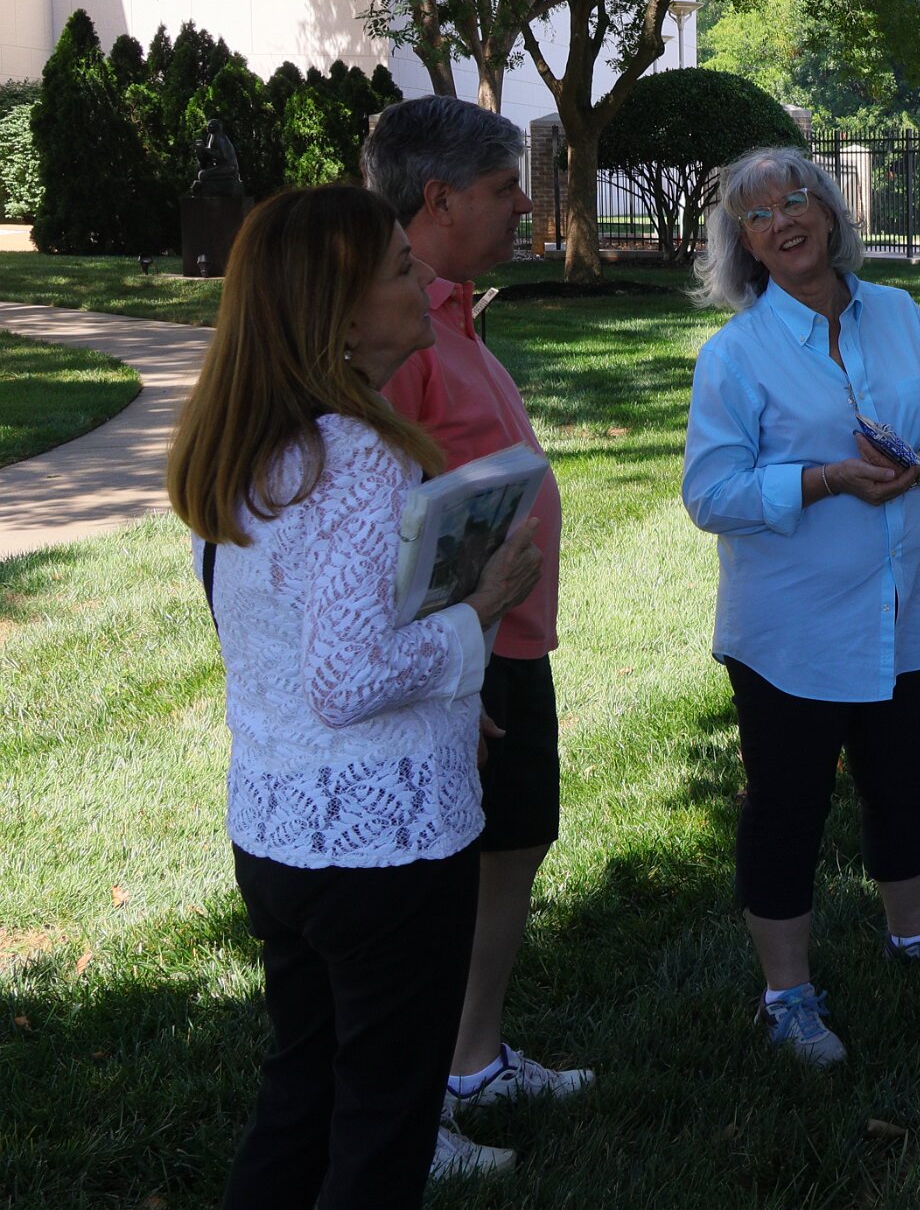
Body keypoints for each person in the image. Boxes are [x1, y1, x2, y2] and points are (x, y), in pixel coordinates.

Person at [166, 185, 542, 1205]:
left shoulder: (249, 450)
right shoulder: (357, 458)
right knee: (381, 1125)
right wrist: (481, 609)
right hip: (382, 852)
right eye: (398, 270)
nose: (422, 281)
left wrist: (450, 706)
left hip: (279, 831)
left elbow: (294, 646)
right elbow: (346, 680)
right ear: (338, 315)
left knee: (300, 1096)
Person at [682, 146, 920, 1067]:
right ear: (745, 243)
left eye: (796, 199)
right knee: (787, 807)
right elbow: (711, 494)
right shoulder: (735, 355)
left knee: (902, 784)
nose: (784, 221)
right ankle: (786, 996)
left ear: (827, 209)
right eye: (759, 215)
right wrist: (821, 480)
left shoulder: (897, 313)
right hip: (793, 633)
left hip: (904, 610)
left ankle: (914, 935)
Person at [362, 97, 589, 1169]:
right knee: (438, 885)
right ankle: (418, 1118)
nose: (527, 207)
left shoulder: (449, 308)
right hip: (459, 654)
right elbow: (376, 523)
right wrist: (447, 678)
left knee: (513, 843)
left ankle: (473, 1058)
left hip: (507, 644)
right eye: (506, 188)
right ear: (439, 199)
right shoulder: (394, 325)